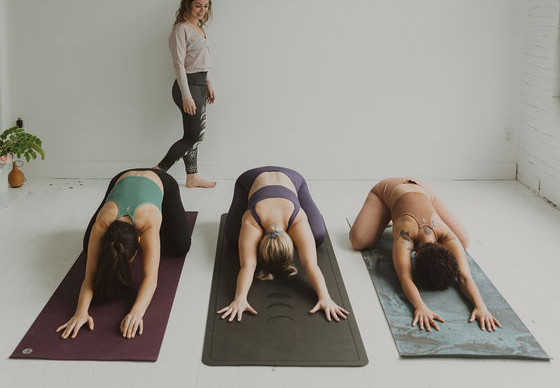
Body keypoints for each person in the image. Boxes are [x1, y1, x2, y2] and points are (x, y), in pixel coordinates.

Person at [350, 177, 501, 333]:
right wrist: (420, 306)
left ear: (445, 248)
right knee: (359, 241)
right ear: (415, 255)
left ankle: (389, 214)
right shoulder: (405, 236)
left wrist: (481, 306)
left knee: (463, 241)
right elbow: (405, 278)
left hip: (422, 188)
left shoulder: (447, 235)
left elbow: (464, 276)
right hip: (389, 189)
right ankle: (387, 211)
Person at [56, 168, 191, 339]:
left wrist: (136, 313)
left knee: (180, 246)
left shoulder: (148, 222)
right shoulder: (103, 222)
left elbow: (151, 278)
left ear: (140, 241)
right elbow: (89, 276)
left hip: (161, 180)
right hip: (122, 179)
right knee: (87, 247)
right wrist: (80, 312)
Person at [219, 166, 349, 322]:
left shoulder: (298, 218)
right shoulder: (251, 219)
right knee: (233, 238)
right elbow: (248, 266)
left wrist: (325, 298)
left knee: (318, 236)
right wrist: (240, 298)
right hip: (249, 179)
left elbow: (310, 264)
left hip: (293, 179)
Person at [155, 0, 216, 188]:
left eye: (206, 6)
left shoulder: (199, 28)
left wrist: (208, 84)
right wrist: (186, 95)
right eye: (198, 5)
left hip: (199, 85)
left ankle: (192, 177)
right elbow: (179, 64)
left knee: (194, 134)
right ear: (188, 4)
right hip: (187, 86)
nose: (202, 10)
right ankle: (158, 171)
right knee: (193, 136)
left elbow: (200, 61)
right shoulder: (181, 29)